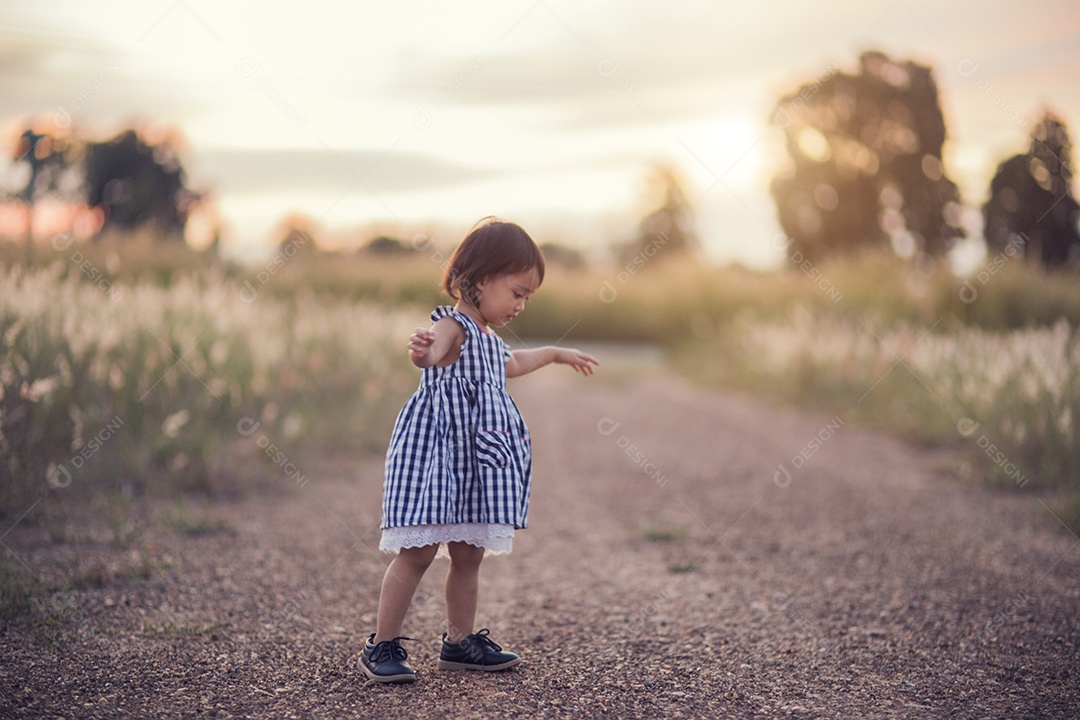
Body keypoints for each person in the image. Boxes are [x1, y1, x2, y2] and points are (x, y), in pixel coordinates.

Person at [361, 217, 600, 683]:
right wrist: (422, 353)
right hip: (438, 459)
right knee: (419, 552)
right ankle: (382, 644)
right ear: (481, 279)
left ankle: (459, 643)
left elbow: (511, 363)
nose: (521, 304)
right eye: (517, 292)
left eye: (528, 297)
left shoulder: (489, 340)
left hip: (474, 465)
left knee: (468, 554)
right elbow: (432, 354)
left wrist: (553, 352)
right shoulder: (453, 326)